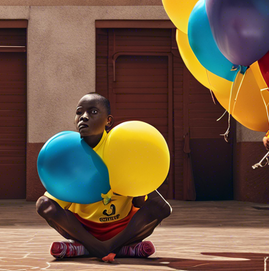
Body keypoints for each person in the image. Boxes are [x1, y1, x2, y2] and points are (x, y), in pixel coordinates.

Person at [36, 93, 172, 263]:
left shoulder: (122, 144)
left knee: (160, 206)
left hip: (123, 227)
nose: (83, 117)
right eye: (79, 112)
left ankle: (89, 249)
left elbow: (146, 202)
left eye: (93, 112)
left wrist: (139, 187)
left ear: (109, 120)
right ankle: (115, 249)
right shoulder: (69, 150)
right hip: (83, 228)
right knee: (44, 205)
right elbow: (50, 204)